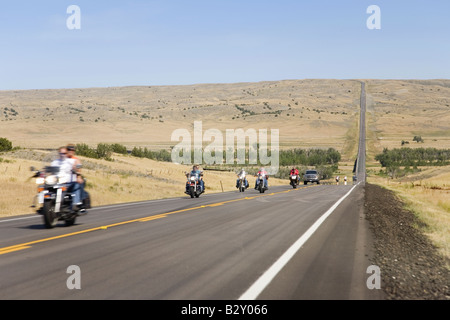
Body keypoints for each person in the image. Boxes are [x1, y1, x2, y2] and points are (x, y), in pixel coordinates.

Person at [51, 146, 82, 212]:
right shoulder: (55, 162)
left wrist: (77, 173)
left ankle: (75, 204)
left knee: (76, 185)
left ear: (67, 153)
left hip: (67, 183)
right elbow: (49, 170)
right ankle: (44, 205)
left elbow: (77, 168)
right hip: (56, 182)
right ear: (59, 153)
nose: (62, 155)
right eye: (61, 153)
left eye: (64, 153)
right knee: (43, 187)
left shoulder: (71, 161)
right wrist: (42, 173)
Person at [67, 144, 87, 211]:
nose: (71, 151)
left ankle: (79, 203)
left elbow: (79, 169)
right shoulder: (62, 159)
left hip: (72, 178)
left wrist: (78, 176)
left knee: (79, 183)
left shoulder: (75, 159)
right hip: (62, 179)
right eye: (69, 149)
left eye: (72, 150)